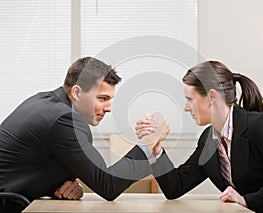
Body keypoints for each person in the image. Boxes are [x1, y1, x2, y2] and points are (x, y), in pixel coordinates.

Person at [0, 56, 168, 212]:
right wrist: (148, 143)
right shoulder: (63, 120)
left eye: (110, 100)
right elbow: (107, 185)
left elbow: (36, 164)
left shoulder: (46, 102)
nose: (109, 108)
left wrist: (71, 185)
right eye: (102, 99)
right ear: (77, 93)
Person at [136, 61, 263, 213]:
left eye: (189, 99)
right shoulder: (209, 139)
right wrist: (155, 146)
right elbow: (175, 187)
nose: (186, 108)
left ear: (212, 97)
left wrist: (246, 201)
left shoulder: (259, 126)